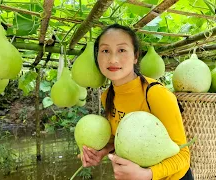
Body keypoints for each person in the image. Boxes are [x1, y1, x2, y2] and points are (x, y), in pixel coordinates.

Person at [78, 23, 193, 180]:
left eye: (122, 50)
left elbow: (183, 155)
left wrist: (147, 174)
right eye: (105, 51)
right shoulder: (107, 96)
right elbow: (120, 139)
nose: (113, 59)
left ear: (135, 56)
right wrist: (102, 151)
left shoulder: (156, 94)